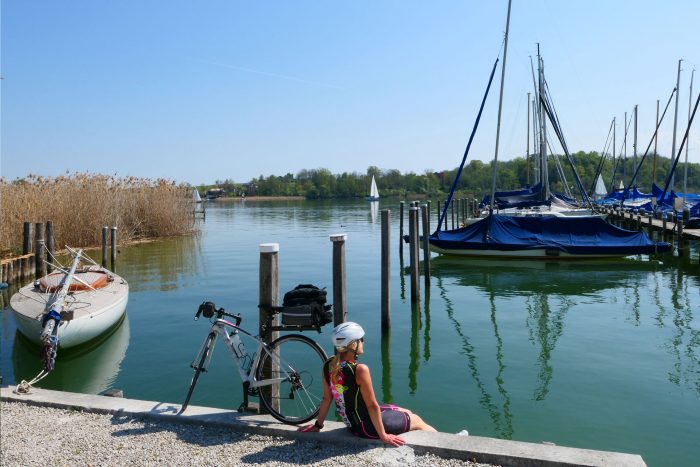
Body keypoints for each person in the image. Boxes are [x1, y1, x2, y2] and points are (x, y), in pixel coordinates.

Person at [298, 322, 436, 446]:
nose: (363, 341)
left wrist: (318, 425)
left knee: (404, 411)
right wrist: (384, 436)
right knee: (416, 419)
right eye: (361, 339)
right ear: (353, 344)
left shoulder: (328, 365)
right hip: (366, 428)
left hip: (352, 425)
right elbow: (372, 405)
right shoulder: (359, 370)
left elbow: (327, 398)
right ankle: (444, 440)